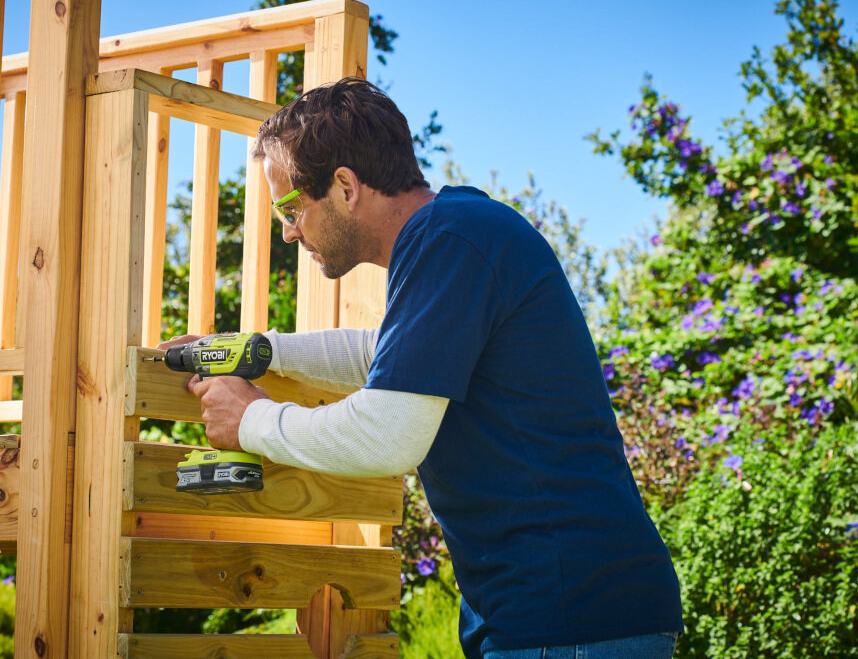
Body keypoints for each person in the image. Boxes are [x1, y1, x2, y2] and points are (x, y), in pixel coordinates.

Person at [159, 77, 683, 659]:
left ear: (345, 186)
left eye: (290, 206)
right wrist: (260, 351)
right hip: (556, 616)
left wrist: (250, 418)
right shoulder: (456, 235)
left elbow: (389, 433)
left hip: (571, 619)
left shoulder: (451, 239)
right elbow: (380, 353)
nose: (287, 231)